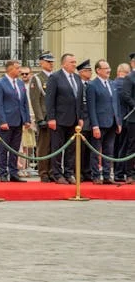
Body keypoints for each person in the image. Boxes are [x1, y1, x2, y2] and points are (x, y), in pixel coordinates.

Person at [45, 53, 86, 185]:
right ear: (64, 64)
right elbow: (49, 100)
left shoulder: (77, 78)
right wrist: (51, 118)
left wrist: (80, 117)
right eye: (72, 62)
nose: (74, 64)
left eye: (75, 62)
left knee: (71, 148)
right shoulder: (55, 77)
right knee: (57, 148)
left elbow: (80, 100)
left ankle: (69, 173)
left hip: (74, 119)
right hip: (59, 119)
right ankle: (57, 174)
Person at [0, 60, 30, 183]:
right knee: (4, 148)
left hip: (19, 120)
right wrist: (2, 120)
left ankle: (14, 172)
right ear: (10, 69)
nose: (20, 71)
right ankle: (3, 173)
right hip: (6, 121)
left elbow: (24, 102)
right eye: (17, 68)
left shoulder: (20, 83)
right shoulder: (0, 83)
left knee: (15, 148)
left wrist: (27, 119)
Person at [87, 59, 121, 185]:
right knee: (96, 150)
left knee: (109, 150)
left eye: (109, 68)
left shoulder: (113, 84)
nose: (109, 70)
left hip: (112, 122)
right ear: (98, 70)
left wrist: (118, 122)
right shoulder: (92, 85)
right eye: (105, 68)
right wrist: (95, 125)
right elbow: (91, 107)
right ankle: (96, 175)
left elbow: (116, 104)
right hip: (99, 123)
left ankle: (107, 175)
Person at [28, 52, 55, 182]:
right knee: (44, 146)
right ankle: (43, 172)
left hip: (55, 117)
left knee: (54, 146)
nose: (51, 64)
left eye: (52, 62)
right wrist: (40, 119)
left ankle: (52, 171)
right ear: (41, 63)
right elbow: (35, 100)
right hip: (44, 116)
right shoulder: (37, 79)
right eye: (48, 62)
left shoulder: (55, 77)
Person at [113, 59, 133, 184]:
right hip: (126, 120)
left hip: (115, 120)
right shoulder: (126, 83)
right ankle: (120, 172)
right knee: (124, 147)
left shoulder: (112, 83)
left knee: (116, 148)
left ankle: (117, 171)